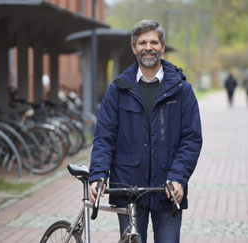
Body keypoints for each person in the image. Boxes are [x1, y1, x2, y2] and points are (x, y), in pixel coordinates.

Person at [88, 19, 202, 243]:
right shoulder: (118, 90)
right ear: (134, 48)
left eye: (153, 42)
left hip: (167, 190)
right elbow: (104, 138)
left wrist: (178, 177)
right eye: (142, 43)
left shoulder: (182, 91)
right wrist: (98, 174)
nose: (148, 48)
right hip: (128, 190)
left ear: (162, 46)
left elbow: (191, 139)